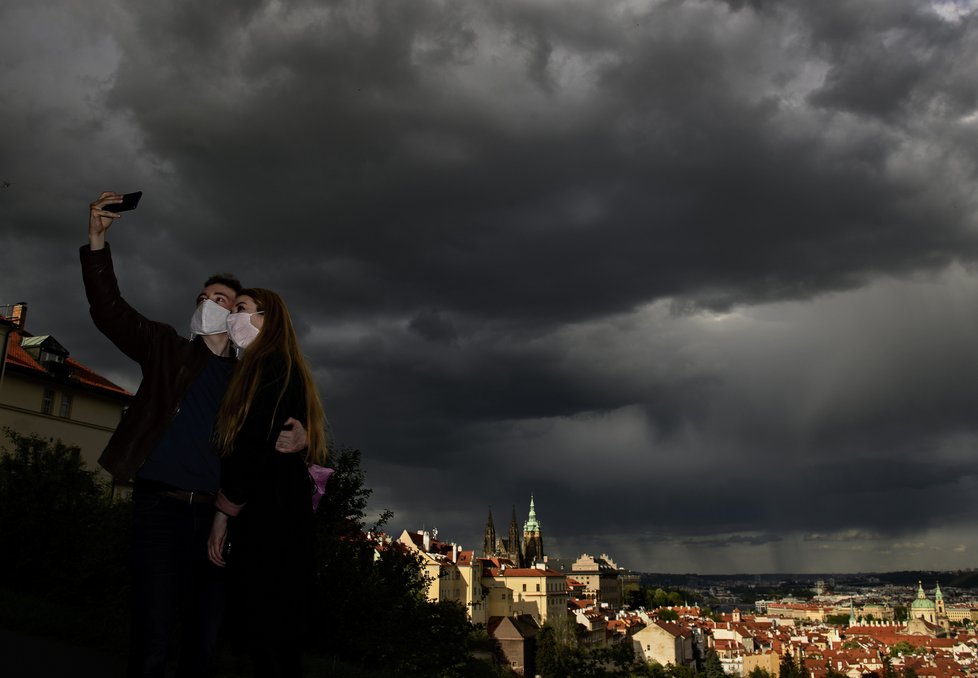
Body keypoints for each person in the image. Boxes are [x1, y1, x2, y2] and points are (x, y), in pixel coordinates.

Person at [81, 191, 307, 678]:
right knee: (154, 635)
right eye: (204, 297)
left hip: (216, 515)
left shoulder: (251, 377)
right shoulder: (166, 349)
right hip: (159, 507)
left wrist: (301, 439)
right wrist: (97, 241)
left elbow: (268, 437)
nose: (210, 303)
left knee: (204, 642)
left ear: (236, 315)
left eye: (223, 299)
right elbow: (110, 312)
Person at [206, 289, 328, 677]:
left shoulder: (269, 368)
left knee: (267, 635)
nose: (231, 317)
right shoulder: (279, 366)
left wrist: (224, 512)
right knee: (276, 637)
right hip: (280, 517)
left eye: (240, 309)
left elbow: (253, 448)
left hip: (268, 520)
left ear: (265, 318)